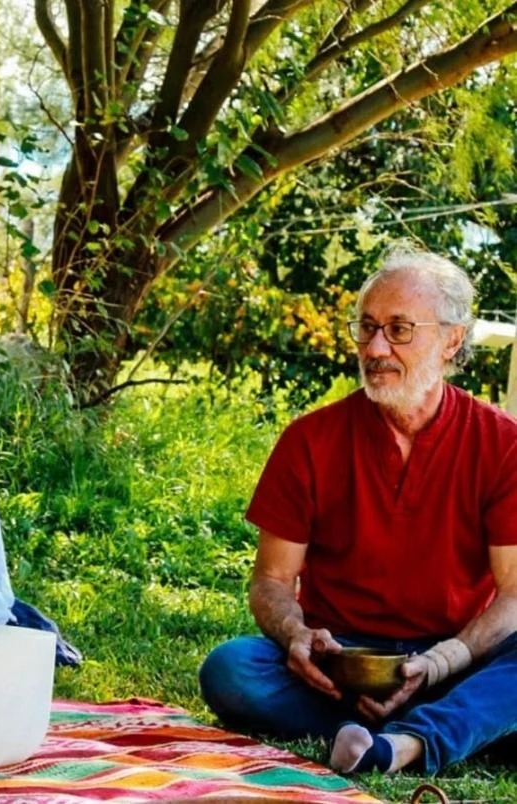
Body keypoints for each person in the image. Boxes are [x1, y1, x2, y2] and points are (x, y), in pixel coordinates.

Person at [198, 248, 517, 775]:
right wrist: (298, 637)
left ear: (452, 340)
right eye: (367, 327)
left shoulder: (503, 443)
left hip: (455, 655)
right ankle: (463, 726)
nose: (375, 347)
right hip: (339, 663)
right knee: (231, 669)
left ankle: (401, 744)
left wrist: (440, 664)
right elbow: (271, 582)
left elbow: (512, 596)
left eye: (398, 330)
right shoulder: (310, 440)